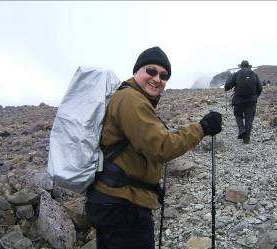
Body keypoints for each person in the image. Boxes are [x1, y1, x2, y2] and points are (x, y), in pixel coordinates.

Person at [85, 46, 223, 249]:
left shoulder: (130, 97)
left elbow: (139, 147)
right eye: (151, 71)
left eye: (164, 75)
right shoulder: (131, 100)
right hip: (123, 207)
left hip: (111, 200)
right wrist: (201, 128)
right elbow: (161, 147)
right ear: (136, 71)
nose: (157, 78)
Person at [225, 60, 262, 144]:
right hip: (251, 101)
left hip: (238, 100)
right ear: (248, 66)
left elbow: (227, 87)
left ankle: (241, 130)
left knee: (238, 115)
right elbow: (260, 87)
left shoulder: (237, 74)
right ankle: (247, 139)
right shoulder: (254, 74)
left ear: (241, 66)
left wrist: (228, 81)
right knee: (249, 119)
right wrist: (256, 96)